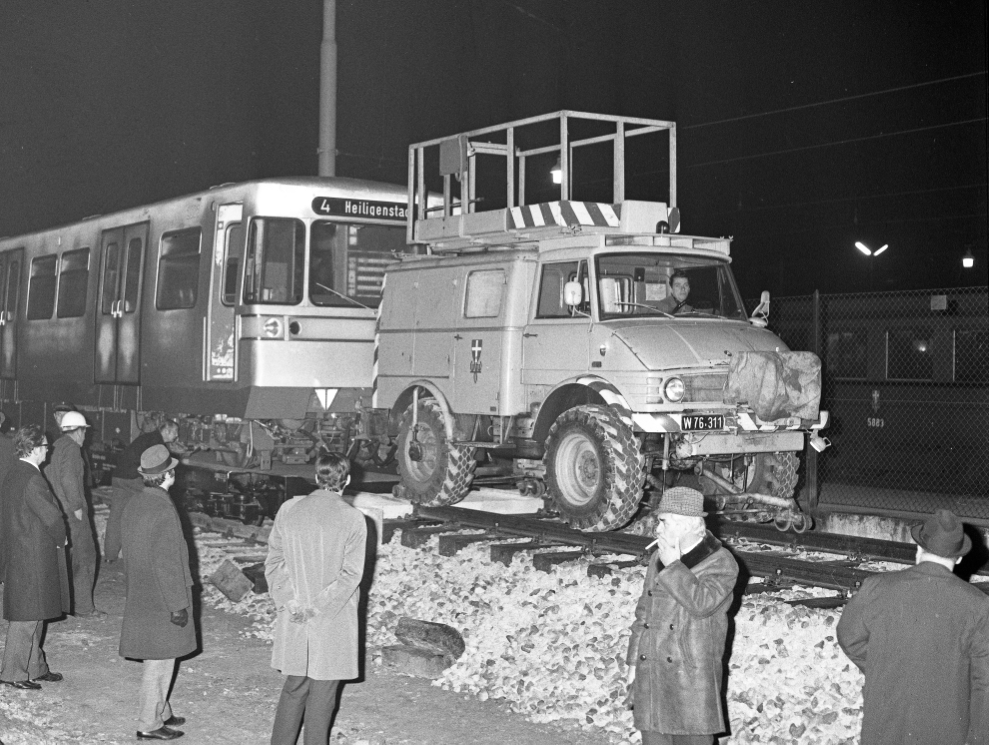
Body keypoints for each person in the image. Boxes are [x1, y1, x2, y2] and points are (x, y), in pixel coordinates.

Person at [836, 508, 988, 745]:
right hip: (946, 732)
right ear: (958, 558)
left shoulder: (876, 587)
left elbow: (849, 638)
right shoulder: (978, 605)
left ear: (918, 548)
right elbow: (984, 681)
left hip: (883, 728)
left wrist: (887, 665)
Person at [265, 452, 367, 745]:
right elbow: (350, 575)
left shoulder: (289, 509)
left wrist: (291, 601)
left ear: (316, 478)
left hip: (295, 616)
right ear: (346, 480)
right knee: (323, 695)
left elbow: (273, 562)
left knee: (294, 687)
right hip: (331, 619)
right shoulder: (353, 519)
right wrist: (317, 607)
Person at [625, 487, 738, 745]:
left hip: (691, 679)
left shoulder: (721, 562)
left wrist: (673, 565)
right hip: (652, 669)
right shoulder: (659, 557)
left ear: (686, 524)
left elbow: (701, 604)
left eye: (663, 521)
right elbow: (644, 613)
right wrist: (632, 664)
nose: (657, 529)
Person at [119, 444, 195, 741]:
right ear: (169, 474)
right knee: (160, 660)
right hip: (163, 596)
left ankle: (162, 711)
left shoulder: (136, 502)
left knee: (162, 656)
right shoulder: (163, 508)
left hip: (143, 592)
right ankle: (148, 724)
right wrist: (177, 604)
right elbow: (167, 563)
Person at [0, 425, 69, 690]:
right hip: (31, 555)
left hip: (21, 551)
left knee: (36, 612)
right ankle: (13, 673)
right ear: (33, 448)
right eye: (44, 446)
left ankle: (35, 667)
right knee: (26, 617)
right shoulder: (32, 478)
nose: (47, 450)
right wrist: (61, 538)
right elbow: (52, 517)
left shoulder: (14, 473)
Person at [44, 409, 102, 617]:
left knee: (64, 560)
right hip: (71, 512)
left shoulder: (55, 446)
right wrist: (77, 507)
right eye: (84, 431)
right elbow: (69, 479)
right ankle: (84, 608)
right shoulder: (72, 449)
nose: (85, 436)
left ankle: (62, 604)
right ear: (78, 431)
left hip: (56, 510)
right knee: (85, 557)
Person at [105, 420, 180, 562]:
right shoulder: (157, 443)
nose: (176, 436)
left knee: (116, 516)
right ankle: (154, 554)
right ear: (167, 431)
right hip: (133, 478)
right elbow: (155, 471)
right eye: (175, 432)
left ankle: (110, 556)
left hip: (118, 477)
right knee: (159, 505)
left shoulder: (147, 437)